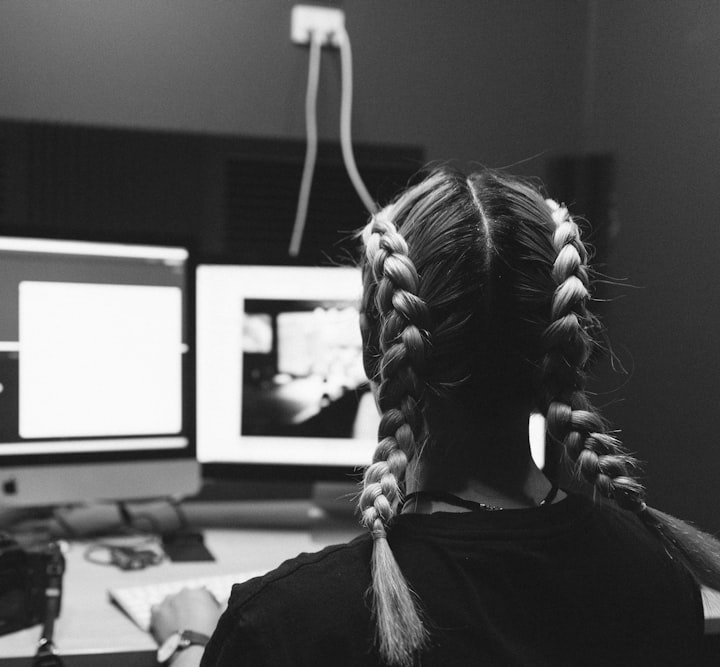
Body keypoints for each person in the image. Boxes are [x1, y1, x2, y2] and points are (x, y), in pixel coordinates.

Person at [150, 166, 720, 666]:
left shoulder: (288, 622)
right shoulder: (660, 579)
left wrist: (188, 644)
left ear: (379, 351)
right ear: (569, 346)